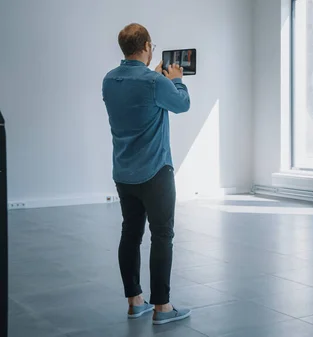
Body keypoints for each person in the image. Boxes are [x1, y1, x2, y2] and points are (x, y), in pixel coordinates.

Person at [102, 23, 191, 325]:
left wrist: (155, 76)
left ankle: (135, 302)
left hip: (124, 173)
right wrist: (177, 80)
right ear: (148, 46)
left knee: (131, 233)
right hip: (155, 172)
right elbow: (182, 105)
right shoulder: (155, 82)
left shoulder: (109, 80)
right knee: (162, 235)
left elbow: (136, 95)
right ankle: (162, 308)